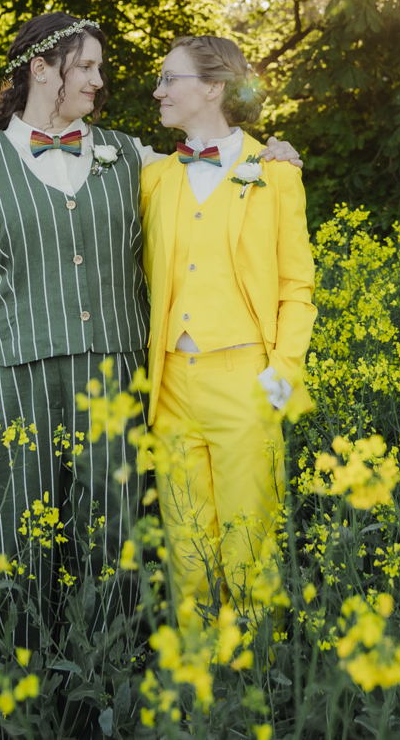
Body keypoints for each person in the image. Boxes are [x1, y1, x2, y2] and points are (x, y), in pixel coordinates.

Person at [0, 12, 299, 639]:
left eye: (99, 68)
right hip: (10, 385)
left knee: (114, 539)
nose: (98, 81)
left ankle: (113, 683)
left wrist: (274, 154)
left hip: (114, 379)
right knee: (10, 542)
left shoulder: (131, 156)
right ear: (41, 70)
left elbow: (212, 167)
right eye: (85, 67)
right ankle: (14, 693)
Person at [141, 35, 314, 629]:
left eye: (170, 79)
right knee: (187, 552)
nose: (157, 91)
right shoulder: (152, 177)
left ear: (212, 87)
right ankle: (193, 692)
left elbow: (297, 288)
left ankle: (251, 686)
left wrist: (281, 375)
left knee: (248, 546)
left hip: (245, 381)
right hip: (169, 386)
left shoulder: (274, 172)